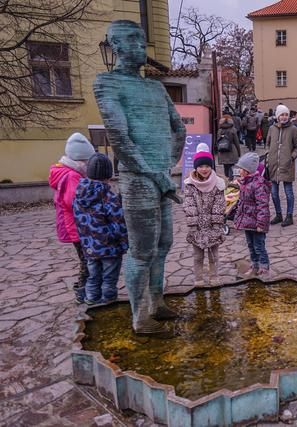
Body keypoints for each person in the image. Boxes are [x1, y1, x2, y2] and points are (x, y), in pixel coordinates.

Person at [94, 20, 186, 334]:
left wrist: (169, 164)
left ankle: (156, 302)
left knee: (164, 243)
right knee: (142, 250)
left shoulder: (156, 86)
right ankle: (139, 317)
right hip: (137, 179)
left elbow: (180, 128)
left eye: (141, 40)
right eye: (131, 40)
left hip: (159, 175)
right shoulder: (107, 83)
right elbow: (120, 139)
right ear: (115, 46)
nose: (138, 46)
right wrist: (154, 173)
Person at [73, 153, 128, 305]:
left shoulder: (78, 195)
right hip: (109, 247)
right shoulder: (107, 196)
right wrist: (125, 244)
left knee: (93, 276)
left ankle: (91, 300)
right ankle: (108, 302)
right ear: (108, 175)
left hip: (89, 246)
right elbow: (119, 223)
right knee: (109, 278)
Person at [48, 132, 95, 304]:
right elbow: (74, 201)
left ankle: (84, 289)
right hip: (77, 227)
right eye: (87, 161)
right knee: (87, 260)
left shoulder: (67, 173)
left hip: (74, 225)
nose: (88, 165)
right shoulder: (72, 176)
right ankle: (83, 293)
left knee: (86, 259)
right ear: (80, 160)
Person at [183, 148, 226, 286]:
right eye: (201, 166)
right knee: (198, 256)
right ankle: (199, 279)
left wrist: (217, 225)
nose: (204, 169)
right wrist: (193, 226)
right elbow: (189, 205)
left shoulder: (218, 183)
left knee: (214, 255)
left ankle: (214, 277)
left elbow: (219, 205)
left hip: (213, 224)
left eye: (207, 166)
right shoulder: (190, 184)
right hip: (197, 225)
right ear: (196, 167)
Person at [234, 152, 271, 278]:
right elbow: (242, 203)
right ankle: (254, 265)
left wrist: (261, 223)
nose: (239, 171)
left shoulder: (258, 184)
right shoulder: (245, 183)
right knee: (251, 245)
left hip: (256, 223)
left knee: (259, 245)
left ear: (248, 170)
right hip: (247, 222)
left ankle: (264, 266)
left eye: (241, 169)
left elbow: (262, 206)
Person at [266, 104, 297, 227]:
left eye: (286, 114)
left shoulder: (293, 129)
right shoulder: (272, 128)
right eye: (282, 114)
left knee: (288, 192)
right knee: (274, 193)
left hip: (287, 165)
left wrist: (292, 157)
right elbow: (268, 144)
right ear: (277, 116)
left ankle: (289, 216)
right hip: (273, 165)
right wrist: (269, 157)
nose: (284, 117)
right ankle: (279, 214)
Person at [216, 115, 242, 180]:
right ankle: (230, 179)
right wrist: (239, 153)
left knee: (225, 166)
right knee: (231, 166)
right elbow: (236, 142)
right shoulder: (233, 130)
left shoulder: (220, 130)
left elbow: (217, 141)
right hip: (232, 150)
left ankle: (226, 177)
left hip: (222, 150)